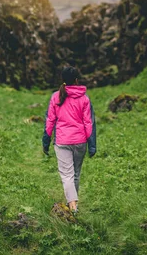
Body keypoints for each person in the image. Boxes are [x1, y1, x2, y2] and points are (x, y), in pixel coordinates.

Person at [43, 66, 96, 214]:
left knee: (67, 175)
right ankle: (74, 206)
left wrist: (45, 142)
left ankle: (72, 206)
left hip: (62, 141)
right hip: (80, 142)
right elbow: (88, 123)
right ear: (77, 80)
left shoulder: (56, 96)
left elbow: (50, 121)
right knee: (75, 175)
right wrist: (92, 145)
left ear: (63, 80)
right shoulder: (84, 98)